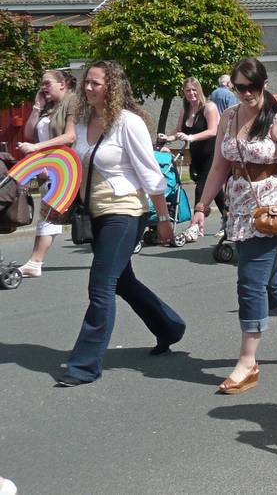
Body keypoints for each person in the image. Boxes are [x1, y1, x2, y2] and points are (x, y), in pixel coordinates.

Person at [190, 58, 277, 394]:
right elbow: (219, 167)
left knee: (250, 283)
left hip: (273, 215)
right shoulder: (229, 116)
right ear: (232, 86)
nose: (247, 94)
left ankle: (248, 362)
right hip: (239, 212)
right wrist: (202, 206)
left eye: (253, 87)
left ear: (263, 84)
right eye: (240, 87)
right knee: (267, 281)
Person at [57, 61, 187, 387]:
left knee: (100, 285)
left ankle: (83, 366)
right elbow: (77, 165)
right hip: (96, 213)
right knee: (122, 281)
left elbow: (150, 173)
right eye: (86, 82)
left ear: (112, 86)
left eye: (96, 83)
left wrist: (164, 220)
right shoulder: (86, 120)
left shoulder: (128, 123)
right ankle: (170, 327)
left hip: (125, 211)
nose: (88, 88)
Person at [16, 69, 77, 278]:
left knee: (49, 213)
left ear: (63, 84)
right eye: (42, 84)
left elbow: (70, 137)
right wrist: (37, 106)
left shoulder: (72, 102)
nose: (43, 87)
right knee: (61, 215)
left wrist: (38, 150)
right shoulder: (48, 107)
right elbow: (28, 132)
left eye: (47, 83)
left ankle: (35, 262)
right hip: (48, 169)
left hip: (66, 169)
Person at [159, 78, 224, 239]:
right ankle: (229, 219)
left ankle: (195, 226)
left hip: (212, 153)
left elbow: (213, 131)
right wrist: (168, 137)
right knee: (215, 191)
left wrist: (191, 137)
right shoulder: (185, 110)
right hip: (196, 155)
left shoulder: (209, 107)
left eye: (194, 90)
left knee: (201, 187)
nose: (191, 93)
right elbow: (178, 130)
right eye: (188, 90)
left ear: (199, 90)